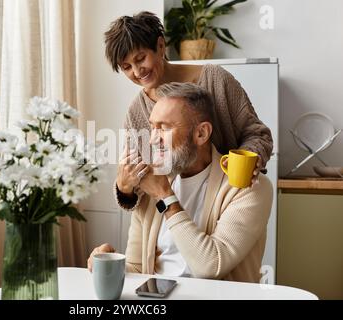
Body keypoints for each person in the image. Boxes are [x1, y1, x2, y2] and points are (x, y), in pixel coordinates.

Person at [88, 83, 273, 282]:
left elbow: (211, 266)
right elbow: (138, 268)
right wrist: (107, 263)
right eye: (152, 127)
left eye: (164, 128)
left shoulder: (249, 188)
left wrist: (165, 197)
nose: (152, 140)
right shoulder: (150, 185)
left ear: (201, 133)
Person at [104, 11, 273, 208]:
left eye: (140, 58)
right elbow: (138, 186)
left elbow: (258, 135)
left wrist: (249, 159)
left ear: (160, 46)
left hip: (229, 202)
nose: (136, 71)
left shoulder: (215, 80)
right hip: (174, 215)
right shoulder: (136, 113)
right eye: (126, 67)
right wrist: (124, 187)